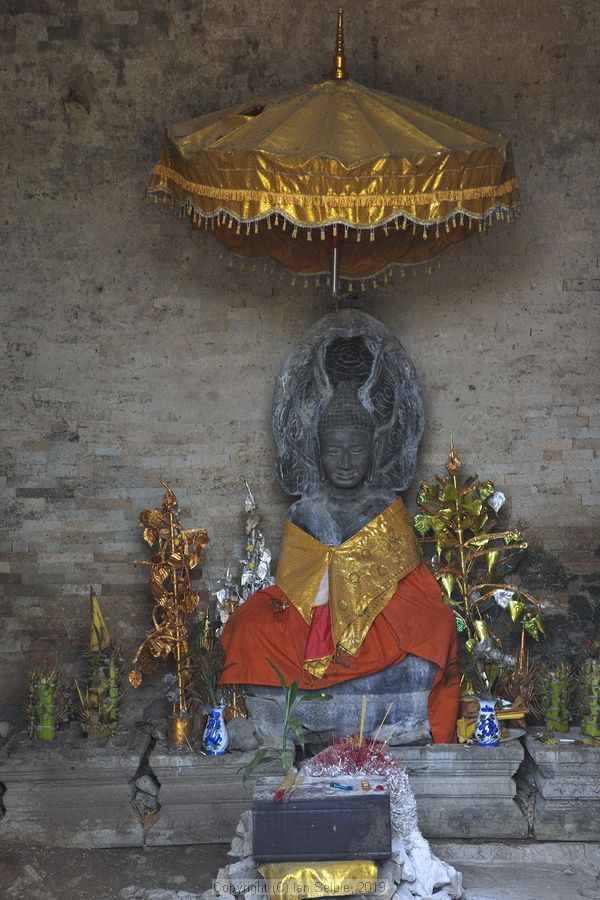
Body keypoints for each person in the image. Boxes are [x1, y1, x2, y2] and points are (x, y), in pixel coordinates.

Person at [220, 312, 460, 743]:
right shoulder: (306, 510)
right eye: (334, 451)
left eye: (355, 450)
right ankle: (285, 722)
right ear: (316, 451)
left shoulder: (384, 505)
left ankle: (394, 721)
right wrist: (328, 597)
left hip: (379, 612)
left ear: (376, 449)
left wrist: (353, 592)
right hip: (312, 615)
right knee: (249, 626)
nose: (346, 461)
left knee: (436, 624)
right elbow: (293, 583)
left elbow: (404, 574)